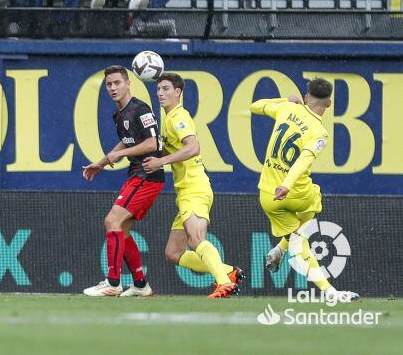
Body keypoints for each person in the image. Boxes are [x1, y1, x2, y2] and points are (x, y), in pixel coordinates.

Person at [251, 78, 359, 301]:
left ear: (306, 96)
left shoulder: (288, 107)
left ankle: (280, 248)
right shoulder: (319, 132)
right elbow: (304, 159)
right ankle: (329, 291)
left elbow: (256, 106)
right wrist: (288, 185)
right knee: (312, 204)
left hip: (268, 194)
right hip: (295, 192)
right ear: (329, 104)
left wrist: (285, 99)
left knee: (301, 231)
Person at [142, 73, 245, 298]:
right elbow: (178, 150)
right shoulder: (168, 119)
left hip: (194, 188)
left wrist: (160, 161)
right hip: (186, 191)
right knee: (173, 252)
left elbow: (193, 147)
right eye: (158, 89)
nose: (160, 93)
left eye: (166, 88)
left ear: (178, 92)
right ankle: (228, 272)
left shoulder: (179, 117)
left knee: (197, 240)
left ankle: (223, 283)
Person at [82, 65, 164, 297]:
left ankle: (113, 282)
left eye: (117, 83)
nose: (113, 88)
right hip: (137, 174)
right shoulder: (119, 114)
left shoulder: (140, 109)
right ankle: (140, 285)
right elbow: (127, 142)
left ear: (128, 83)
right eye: (109, 84)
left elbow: (152, 144)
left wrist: (120, 155)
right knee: (123, 229)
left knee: (112, 221)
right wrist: (102, 162)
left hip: (148, 175)